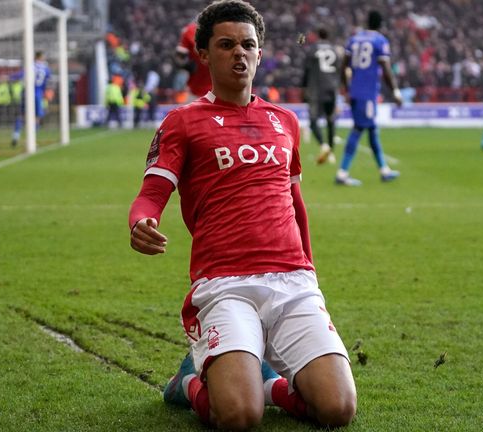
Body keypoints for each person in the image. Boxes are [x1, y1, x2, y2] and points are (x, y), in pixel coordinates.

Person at [128, 1, 356, 429]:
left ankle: (267, 383)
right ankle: (189, 382)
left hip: (292, 280)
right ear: (204, 54)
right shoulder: (181, 121)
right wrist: (141, 221)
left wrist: (309, 271)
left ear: (260, 52)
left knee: (338, 408)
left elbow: (296, 204)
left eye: (247, 45)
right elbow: (151, 194)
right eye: (227, 44)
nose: (239, 53)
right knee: (238, 416)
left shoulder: (285, 121)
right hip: (225, 283)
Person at [336, 10, 402, 186]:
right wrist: (395, 91)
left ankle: (384, 170)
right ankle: (342, 172)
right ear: (380, 24)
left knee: (372, 130)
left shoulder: (354, 39)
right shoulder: (380, 41)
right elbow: (386, 68)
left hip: (356, 92)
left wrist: (347, 89)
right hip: (367, 94)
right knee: (358, 129)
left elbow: (343, 66)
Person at [302, 27, 343, 165]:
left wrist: (304, 88)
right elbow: (340, 71)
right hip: (331, 89)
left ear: (318, 35)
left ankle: (324, 146)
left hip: (316, 89)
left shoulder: (313, 49)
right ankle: (331, 152)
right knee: (331, 121)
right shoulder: (335, 50)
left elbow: (306, 71)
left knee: (313, 121)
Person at [11, 51, 51, 147]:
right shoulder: (46, 68)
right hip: (37, 94)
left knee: (21, 115)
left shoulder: (30, 66)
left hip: (26, 93)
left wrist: (9, 77)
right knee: (36, 117)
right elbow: (46, 82)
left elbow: (19, 75)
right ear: (40, 57)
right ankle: (31, 140)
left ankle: (16, 136)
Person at [175, 21, 212, 98]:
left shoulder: (224, 30)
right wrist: (186, 65)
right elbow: (180, 56)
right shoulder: (190, 30)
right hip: (196, 88)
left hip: (214, 89)